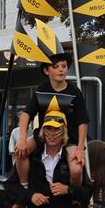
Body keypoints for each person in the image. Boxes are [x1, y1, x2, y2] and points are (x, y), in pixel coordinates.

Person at [15, 52, 89, 190]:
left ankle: (75, 199)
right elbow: (25, 115)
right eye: (56, 66)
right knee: (20, 153)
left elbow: (83, 122)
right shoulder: (40, 90)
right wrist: (22, 139)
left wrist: (80, 149)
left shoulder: (75, 92)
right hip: (45, 135)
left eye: (64, 66)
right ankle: (24, 188)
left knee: (76, 169)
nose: (61, 69)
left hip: (70, 138)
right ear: (46, 70)